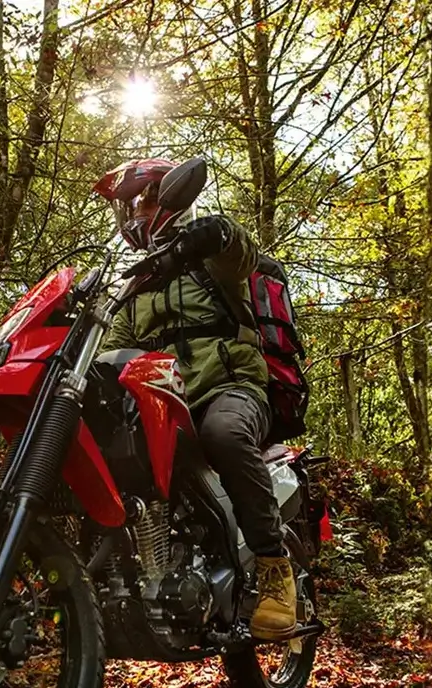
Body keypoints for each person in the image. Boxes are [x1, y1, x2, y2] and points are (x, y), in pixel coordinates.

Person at [94, 158, 297, 639]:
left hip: (230, 387)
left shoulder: (207, 256)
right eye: (128, 208)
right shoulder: (135, 287)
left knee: (222, 434)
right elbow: (110, 350)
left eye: (141, 201)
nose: (134, 215)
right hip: (165, 402)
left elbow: (239, 253)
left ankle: (274, 569)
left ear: (167, 199)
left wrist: (216, 234)